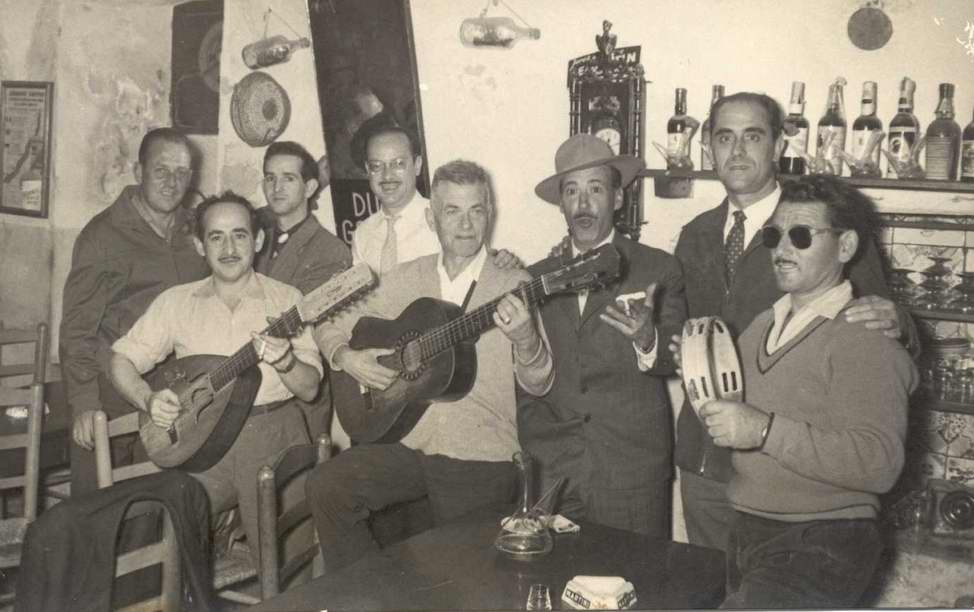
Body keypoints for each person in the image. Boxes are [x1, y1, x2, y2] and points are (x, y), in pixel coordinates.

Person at [671, 92, 915, 551]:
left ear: (779, 144)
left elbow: (881, 330)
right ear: (709, 146)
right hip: (703, 457)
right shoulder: (696, 233)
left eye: (753, 136)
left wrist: (901, 321)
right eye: (725, 137)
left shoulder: (820, 224)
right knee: (707, 588)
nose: (737, 151)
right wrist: (657, 340)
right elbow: (683, 334)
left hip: (794, 477)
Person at [308, 160, 554, 571]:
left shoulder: (513, 284)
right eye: (452, 211)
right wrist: (346, 357)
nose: (465, 224)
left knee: (457, 580)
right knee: (326, 487)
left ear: (489, 214)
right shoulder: (405, 278)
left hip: (480, 456)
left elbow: (541, 381)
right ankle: (371, 597)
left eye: (476, 210)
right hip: (407, 444)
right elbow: (328, 320)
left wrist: (527, 340)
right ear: (431, 216)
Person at [699, 175, 917, 608]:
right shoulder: (763, 323)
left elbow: (880, 463)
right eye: (773, 235)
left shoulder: (864, 336)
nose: (781, 250)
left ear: (846, 246)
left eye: (801, 236)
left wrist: (764, 431)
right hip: (750, 527)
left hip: (823, 540)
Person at [109, 192, 323, 566]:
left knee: (286, 571)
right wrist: (147, 399)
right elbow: (121, 359)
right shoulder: (176, 302)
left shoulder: (288, 300)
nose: (228, 248)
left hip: (274, 438)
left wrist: (286, 361)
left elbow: (310, 389)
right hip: (200, 443)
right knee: (155, 537)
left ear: (257, 241)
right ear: (199, 245)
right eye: (216, 237)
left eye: (239, 235)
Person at [520, 134, 687, 538]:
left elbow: (677, 352)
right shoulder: (536, 277)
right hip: (554, 469)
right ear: (560, 203)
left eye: (595, 189)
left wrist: (647, 339)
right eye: (572, 191)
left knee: (636, 586)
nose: (583, 203)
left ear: (616, 198)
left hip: (629, 466)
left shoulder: (658, 268)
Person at [60, 127, 208, 495]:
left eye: (182, 172)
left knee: (155, 509)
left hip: (175, 396)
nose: (173, 182)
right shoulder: (102, 236)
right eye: (162, 171)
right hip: (111, 396)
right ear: (138, 172)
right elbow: (78, 330)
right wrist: (84, 405)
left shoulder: (196, 229)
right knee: (98, 512)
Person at [256, 141, 352, 440]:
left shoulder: (330, 250)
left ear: (310, 187)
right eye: (270, 177)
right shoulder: (253, 236)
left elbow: (295, 322)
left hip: (296, 393)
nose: (276, 187)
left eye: (288, 178)